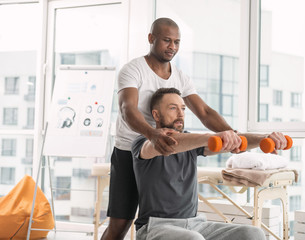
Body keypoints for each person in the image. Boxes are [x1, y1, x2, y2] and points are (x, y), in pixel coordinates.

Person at [101, 17, 287, 239]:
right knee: (120, 225)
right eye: (167, 40)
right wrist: (153, 134)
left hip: (172, 147)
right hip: (135, 148)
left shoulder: (181, 77)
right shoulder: (134, 70)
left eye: (177, 42)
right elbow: (126, 108)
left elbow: (205, 112)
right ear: (151, 39)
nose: (172, 47)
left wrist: (235, 139)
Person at [131, 87, 266, 240]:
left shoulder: (191, 144)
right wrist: (211, 137)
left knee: (253, 234)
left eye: (183, 108)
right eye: (173, 108)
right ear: (156, 114)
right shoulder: (143, 143)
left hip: (195, 224)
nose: (180, 113)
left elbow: (238, 141)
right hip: (155, 227)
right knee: (194, 239)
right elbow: (170, 144)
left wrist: (265, 139)